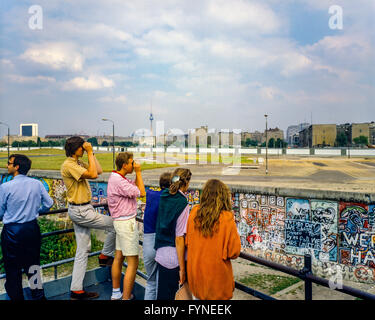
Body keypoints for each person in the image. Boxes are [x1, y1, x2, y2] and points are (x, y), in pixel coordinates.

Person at [61, 136, 116, 300]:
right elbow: (92, 174)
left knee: (82, 251)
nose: (83, 150)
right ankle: (105, 255)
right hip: (81, 211)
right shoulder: (69, 165)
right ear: (75, 148)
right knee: (116, 224)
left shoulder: (77, 163)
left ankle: (76, 290)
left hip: (82, 209)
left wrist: (91, 154)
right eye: (81, 147)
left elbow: (98, 171)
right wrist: (90, 152)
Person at [0, 154, 53, 300]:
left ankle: (17, 297)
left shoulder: (5, 187)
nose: (7, 166)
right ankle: (38, 296)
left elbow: (0, 211)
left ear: (16, 167)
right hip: (31, 229)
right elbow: (49, 204)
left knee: (13, 269)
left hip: (12, 231)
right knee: (33, 266)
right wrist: (37, 211)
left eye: (9, 163)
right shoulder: (36, 184)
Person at [185, 179, 241, 300]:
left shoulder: (194, 212)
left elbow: (187, 241)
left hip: (197, 280)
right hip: (218, 283)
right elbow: (234, 252)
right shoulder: (227, 218)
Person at [107, 152, 146, 300]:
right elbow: (141, 192)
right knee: (133, 262)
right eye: (131, 162)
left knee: (119, 256)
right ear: (124, 165)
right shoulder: (120, 181)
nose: (133, 164)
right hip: (126, 224)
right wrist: (139, 172)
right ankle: (126, 297)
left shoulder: (116, 177)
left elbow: (135, 186)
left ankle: (116, 293)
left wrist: (136, 173)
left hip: (119, 222)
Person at [154, 168, 192, 300]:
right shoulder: (182, 203)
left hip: (160, 253)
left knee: (162, 295)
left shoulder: (164, 194)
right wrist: (182, 269)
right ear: (186, 183)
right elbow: (179, 238)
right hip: (174, 258)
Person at [142, 172, 172, 300]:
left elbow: (144, 190)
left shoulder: (150, 194)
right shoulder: (170, 199)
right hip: (162, 242)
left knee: (151, 282)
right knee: (163, 284)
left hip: (148, 240)